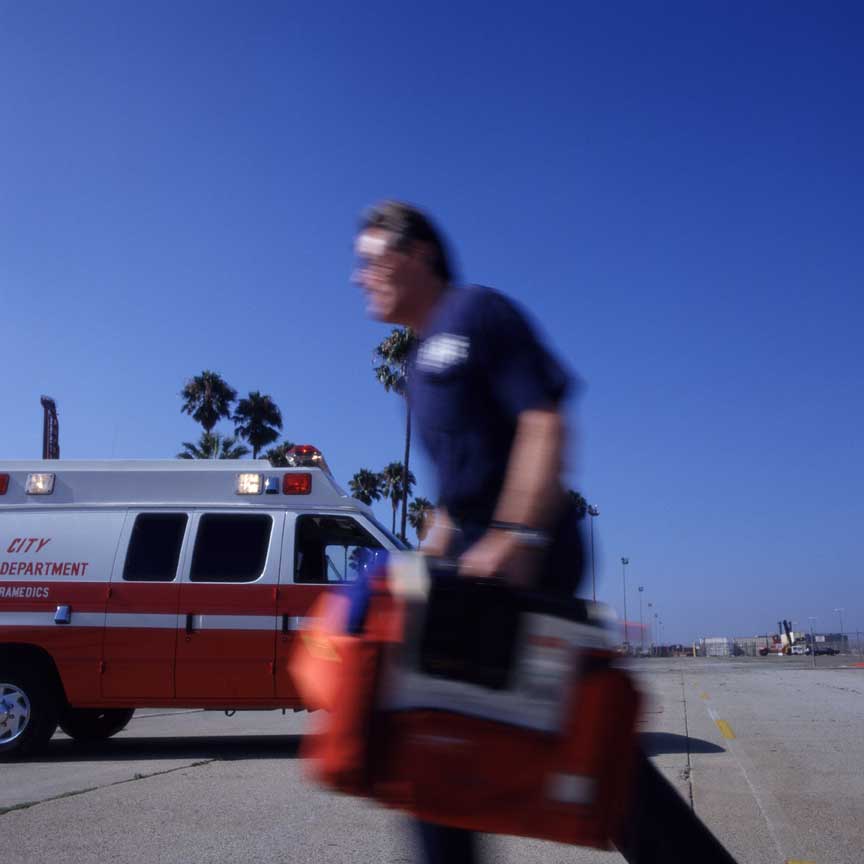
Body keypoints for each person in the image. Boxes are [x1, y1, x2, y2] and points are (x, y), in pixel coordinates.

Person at [353, 200, 735, 864]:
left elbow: (543, 420)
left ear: (416, 255)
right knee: (460, 738)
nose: (361, 276)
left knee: (497, 736)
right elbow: (457, 488)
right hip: (476, 552)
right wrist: (423, 558)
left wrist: (515, 537)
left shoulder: (479, 314)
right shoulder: (415, 366)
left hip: (530, 548)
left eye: (370, 259)